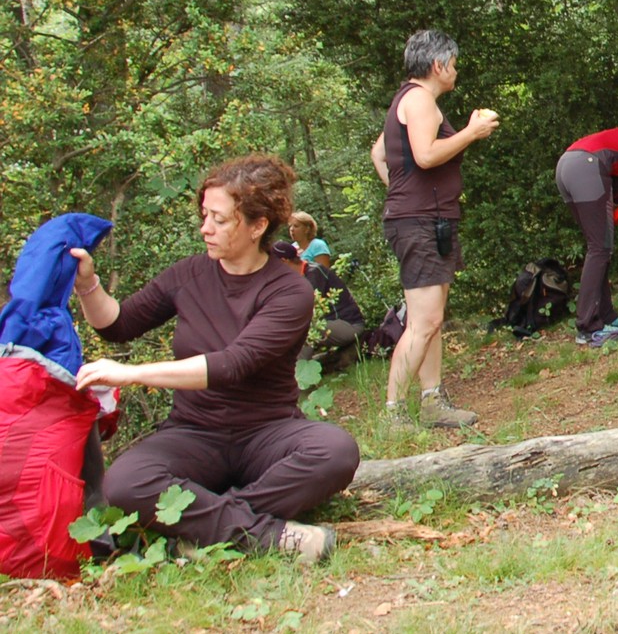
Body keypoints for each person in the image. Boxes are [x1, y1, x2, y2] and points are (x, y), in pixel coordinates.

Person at [69, 155, 359, 563]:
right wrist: (87, 284)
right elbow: (117, 324)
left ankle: (201, 528)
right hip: (194, 434)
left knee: (336, 451)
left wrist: (132, 373)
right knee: (125, 482)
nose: (205, 228)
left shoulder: (289, 291)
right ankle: (265, 535)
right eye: (204, 215)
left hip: (267, 434)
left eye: (219, 220)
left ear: (257, 226)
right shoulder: (188, 274)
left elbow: (231, 364)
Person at [370, 29, 498, 428]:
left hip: (428, 219)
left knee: (432, 318)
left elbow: (379, 153)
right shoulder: (420, 99)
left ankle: (432, 401)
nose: (456, 71)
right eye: (454, 64)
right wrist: (471, 133)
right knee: (423, 322)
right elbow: (425, 155)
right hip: (420, 223)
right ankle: (393, 414)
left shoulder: (408, 100)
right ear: (438, 65)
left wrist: (401, 194)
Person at [556, 126, 618, 344]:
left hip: (567, 165)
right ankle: (587, 325)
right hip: (587, 166)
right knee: (600, 248)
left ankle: (606, 315)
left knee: (598, 246)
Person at [270, 241, 366, 374]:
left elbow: (305, 310)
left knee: (303, 328)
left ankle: (298, 377)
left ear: (283, 261)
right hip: (328, 325)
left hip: (348, 324)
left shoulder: (314, 272)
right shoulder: (291, 279)